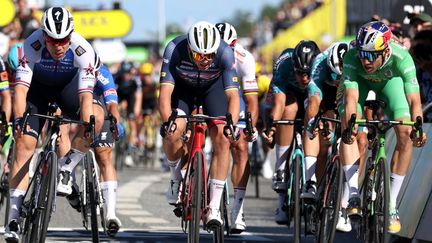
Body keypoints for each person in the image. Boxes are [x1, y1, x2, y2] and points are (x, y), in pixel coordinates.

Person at [5, 7, 100, 242]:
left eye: (63, 40)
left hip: (69, 90)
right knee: (25, 143)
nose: (58, 46)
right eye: (52, 40)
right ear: (43, 34)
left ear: (71, 36)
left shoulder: (83, 49)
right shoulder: (31, 44)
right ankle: (13, 219)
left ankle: (66, 168)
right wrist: (19, 119)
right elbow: (20, 91)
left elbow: (86, 98)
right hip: (38, 91)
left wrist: (88, 126)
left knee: (94, 121)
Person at [340, 21, 426, 234]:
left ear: (385, 50)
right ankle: (352, 193)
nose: (365, 60)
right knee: (350, 124)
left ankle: (391, 204)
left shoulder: (402, 57)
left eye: (371, 55)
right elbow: (351, 99)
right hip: (360, 84)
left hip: (390, 84)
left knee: (406, 132)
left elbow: (415, 101)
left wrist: (418, 128)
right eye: (362, 53)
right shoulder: (352, 58)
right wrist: (351, 125)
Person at [159, 21, 240, 229]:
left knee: (223, 136)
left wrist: (231, 123)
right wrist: (168, 122)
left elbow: (232, 96)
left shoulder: (224, 52)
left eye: (209, 56)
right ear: (189, 49)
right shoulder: (174, 49)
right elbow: (165, 94)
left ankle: (213, 207)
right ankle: (176, 178)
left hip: (212, 90)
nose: (204, 60)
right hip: (183, 91)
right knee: (172, 132)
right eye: (198, 56)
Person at [261, 40, 320, 224]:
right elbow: (278, 104)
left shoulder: (321, 65)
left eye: (307, 73)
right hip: (288, 96)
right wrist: (272, 127)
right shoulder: (284, 64)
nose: (303, 78)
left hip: (313, 97)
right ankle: (281, 170)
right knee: (288, 109)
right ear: (293, 67)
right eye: (299, 73)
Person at [216, 22, 259, 234]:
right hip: (210, 93)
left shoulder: (244, 58)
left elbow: (251, 100)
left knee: (240, 146)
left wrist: (251, 125)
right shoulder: (206, 55)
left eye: (228, 48)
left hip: (234, 96)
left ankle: (238, 208)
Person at [115, 61, 142, 167]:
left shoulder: (136, 81)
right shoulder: (117, 79)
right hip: (120, 98)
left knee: (132, 126)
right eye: (124, 73)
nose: (126, 76)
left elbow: (138, 97)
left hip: (131, 100)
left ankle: (129, 152)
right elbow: (112, 94)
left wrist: (136, 111)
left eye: (128, 73)